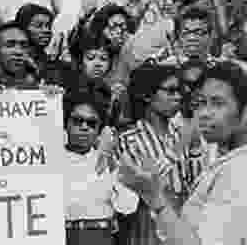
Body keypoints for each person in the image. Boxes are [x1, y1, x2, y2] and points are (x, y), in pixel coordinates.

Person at [119, 61, 247, 245]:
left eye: (217, 103)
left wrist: (193, 148)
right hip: (148, 219)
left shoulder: (236, 168)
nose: (204, 113)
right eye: (201, 103)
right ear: (148, 96)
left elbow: (191, 183)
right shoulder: (130, 139)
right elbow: (138, 187)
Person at [63, 89, 139, 245]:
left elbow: (128, 206)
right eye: (78, 121)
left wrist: (112, 162)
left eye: (91, 123)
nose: (84, 127)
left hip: (100, 238)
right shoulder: (51, 160)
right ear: (66, 123)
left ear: (99, 129)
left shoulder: (109, 161)